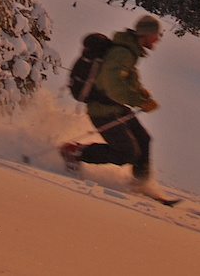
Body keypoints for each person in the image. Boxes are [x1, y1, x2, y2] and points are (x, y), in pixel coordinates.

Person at [61, 14, 163, 197]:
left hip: (115, 107)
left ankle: (140, 184)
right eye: (156, 34)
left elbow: (126, 79)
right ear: (146, 34)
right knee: (127, 153)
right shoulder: (122, 53)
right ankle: (75, 152)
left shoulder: (130, 51)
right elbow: (113, 86)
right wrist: (140, 101)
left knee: (144, 140)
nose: (158, 39)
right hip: (102, 110)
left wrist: (142, 94)